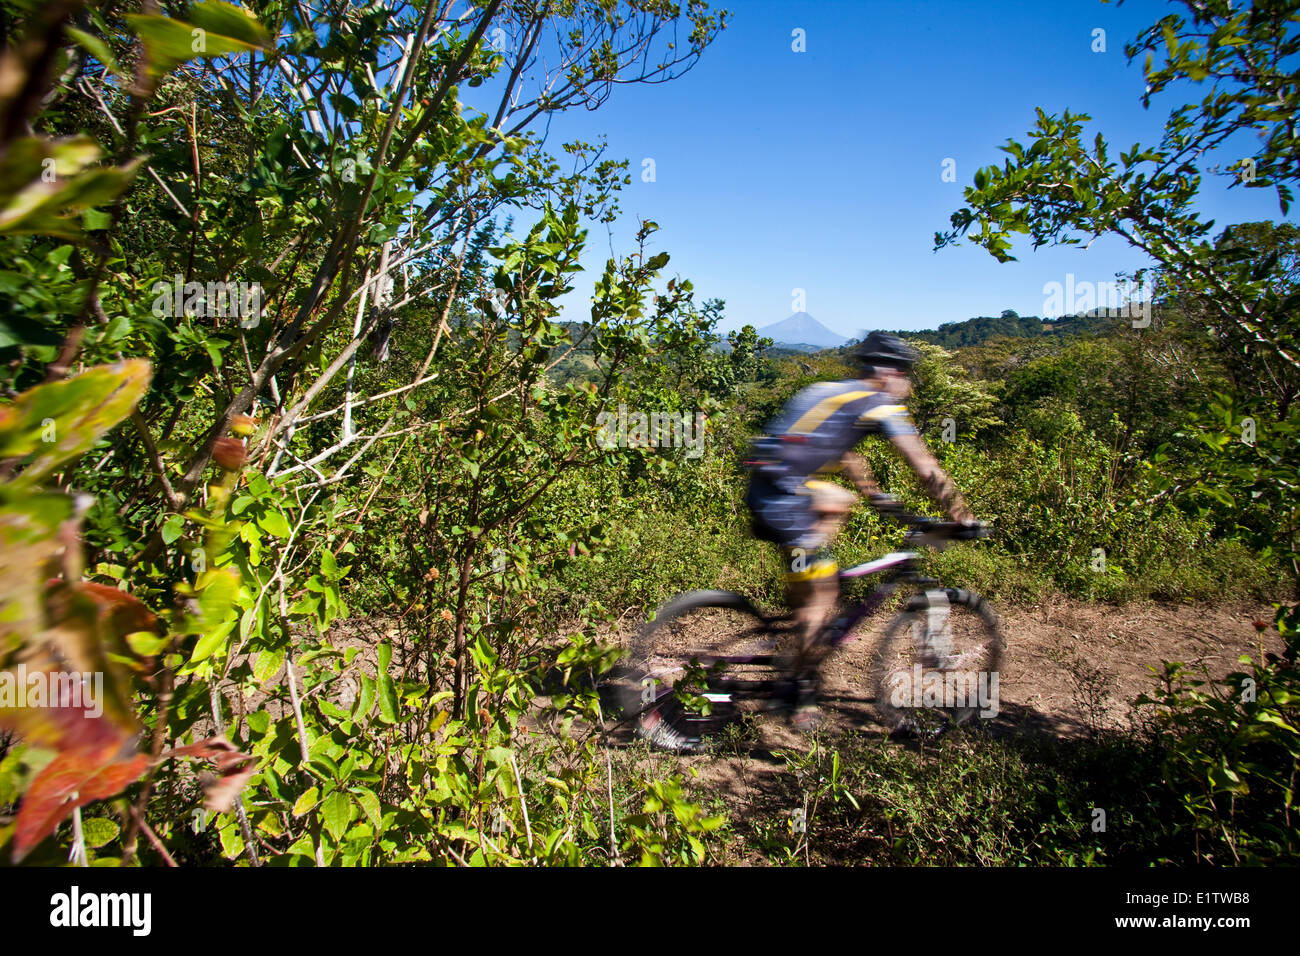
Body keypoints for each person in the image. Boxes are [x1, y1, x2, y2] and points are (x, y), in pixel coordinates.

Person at [744, 331, 978, 728]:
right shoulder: (882, 403)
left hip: (767, 486)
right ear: (889, 372)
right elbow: (925, 467)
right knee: (825, 578)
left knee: (828, 535)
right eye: (907, 375)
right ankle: (797, 687)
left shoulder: (833, 392)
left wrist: (877, 496)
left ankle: (805, 616)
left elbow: (843, 452)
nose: (908, 385)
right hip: (786, 492)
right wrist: (960, 514)